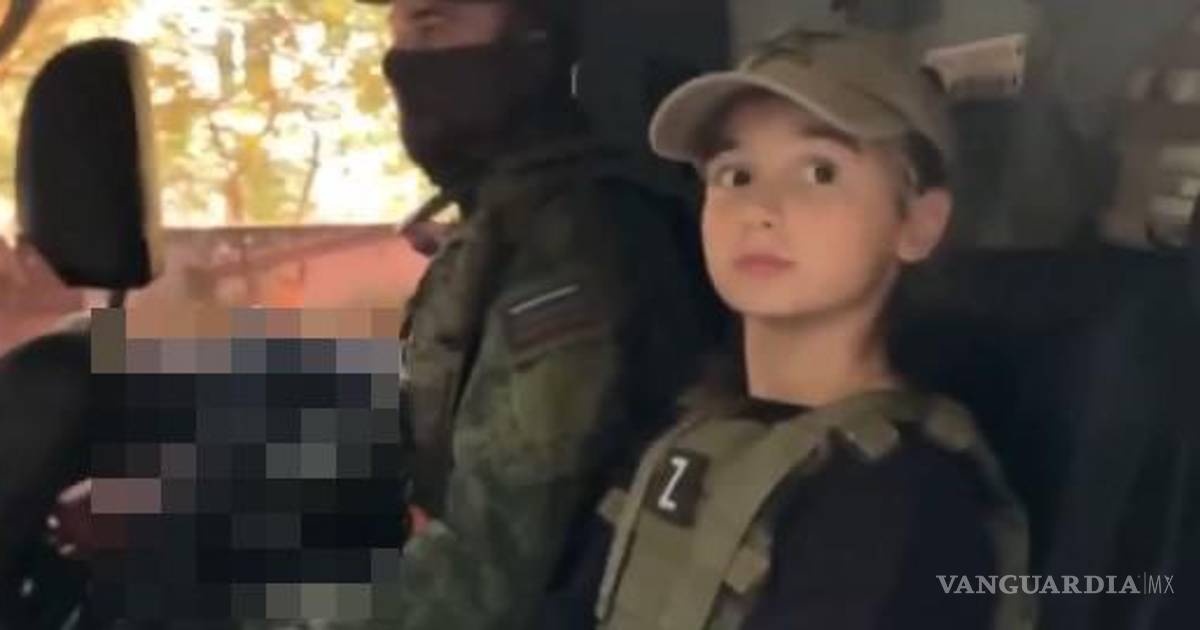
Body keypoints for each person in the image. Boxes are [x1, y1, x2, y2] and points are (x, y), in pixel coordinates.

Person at [539, 29, 1034, 630]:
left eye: (820, 171)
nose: (759, 209)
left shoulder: (903, 502)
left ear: (918, 225)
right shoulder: (687, 438)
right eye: (735, 175)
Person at [357, 0, 720, 627]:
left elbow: (491, 575)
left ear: (535, 41)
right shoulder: (503, 225)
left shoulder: (583, 241)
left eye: (434, 26)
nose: (404, 62)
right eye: (398, 32)